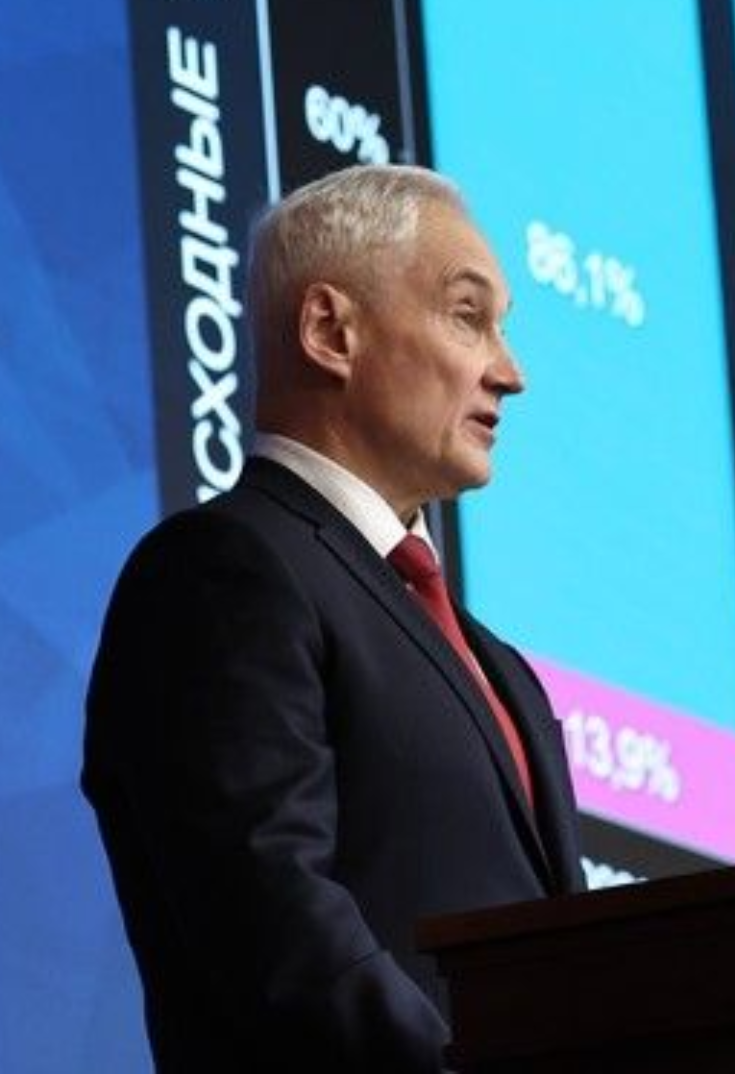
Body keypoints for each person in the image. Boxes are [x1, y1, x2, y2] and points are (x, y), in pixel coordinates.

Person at [83, 164, 582, 1073]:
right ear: (330, 331)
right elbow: (276, 928)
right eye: (468, 316)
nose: (510, 373)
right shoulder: (220, 572)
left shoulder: (499, 665)